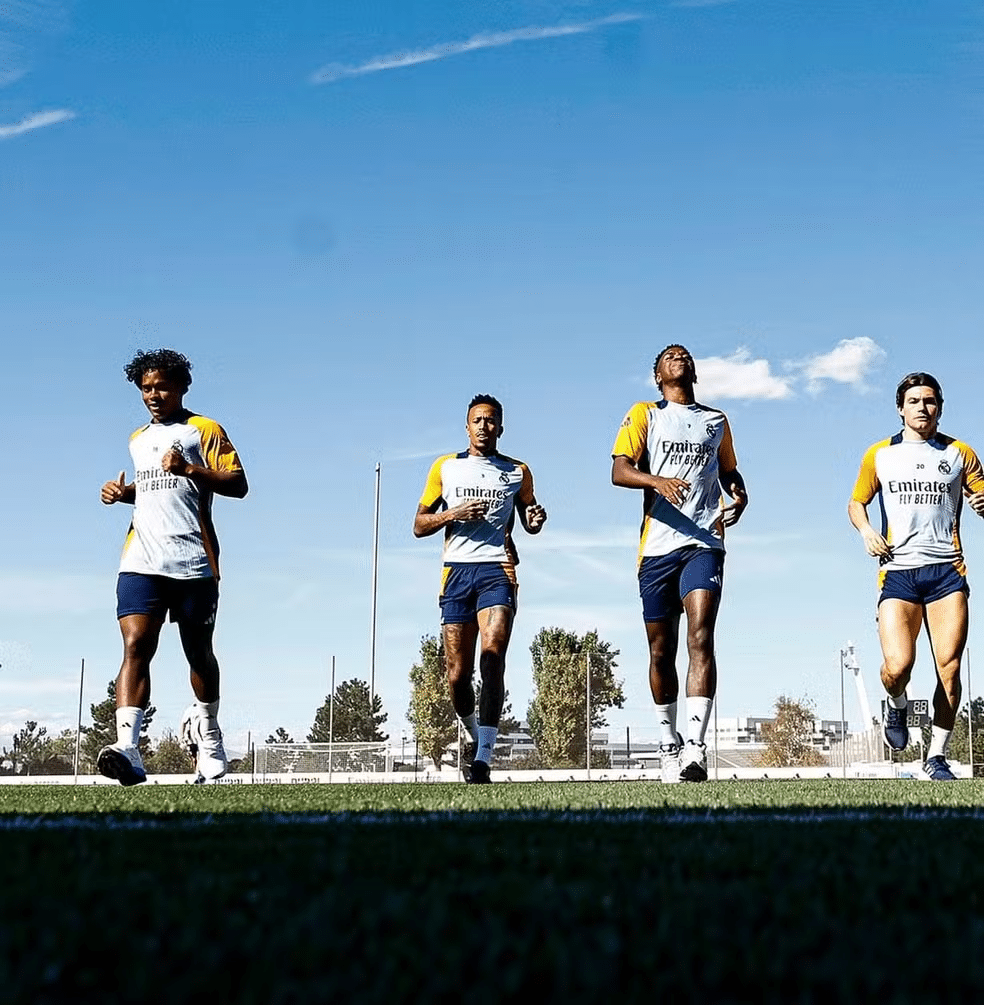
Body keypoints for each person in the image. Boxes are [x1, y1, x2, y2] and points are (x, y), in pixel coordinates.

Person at [99, 349, 248, 785]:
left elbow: (238, 484)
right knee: (136, 645)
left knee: (198, 652)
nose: (153, 395)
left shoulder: (205, 429)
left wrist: (189, 468)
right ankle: (128, 749)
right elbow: (153, 491)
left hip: (193, 559)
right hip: (140, 558)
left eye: (162, 386)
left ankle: (209, 733)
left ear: (182, 386)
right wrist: (122, 494)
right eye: (146, 388)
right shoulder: (137, 438)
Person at [611, 345, 748, 783]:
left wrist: (739, 494)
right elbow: (619, 470)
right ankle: (667, 743)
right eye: (670, 356)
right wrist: (656, 481)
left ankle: (695, 749)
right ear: (658, 376)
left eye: (685, 355)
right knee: (660, 650)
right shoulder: (645, 414)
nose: (680, 358)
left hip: (704, 541)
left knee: (701, 636)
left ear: (695, 371)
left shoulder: (716, 420)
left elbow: (729, 471)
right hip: (656, 548)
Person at [848, 372, 984, 781]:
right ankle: (897, 703)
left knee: (949, 668)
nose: (922, 407)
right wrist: (867, 532)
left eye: (929, 401)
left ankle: (936, 756)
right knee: (898, 666)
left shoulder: (960, 453)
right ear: (900, 409)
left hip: (947, 572)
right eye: (914, 401)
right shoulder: (879, 454)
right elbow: (856, 502)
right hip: (898, 572)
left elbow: (981, 493)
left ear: (939, 407)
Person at [414, 395, 546, 784]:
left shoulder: (517, 471)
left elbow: (530, 518)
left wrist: (536, 520)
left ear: (500, 428)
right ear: (467, 427)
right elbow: (419, 525)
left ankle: (483, 760)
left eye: (490, 421)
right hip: (456, 572)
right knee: (457, 674)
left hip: (497, 571)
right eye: (477, 421)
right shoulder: (446, 467)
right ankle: (474, 735)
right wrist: (454, 513)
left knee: (492, 659)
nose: (484, 427)